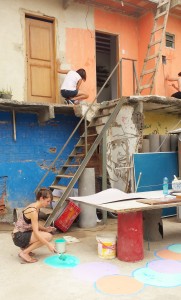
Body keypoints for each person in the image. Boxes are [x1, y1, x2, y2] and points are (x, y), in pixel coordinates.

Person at [12, 188, 57, 263]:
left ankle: (25, 249)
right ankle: (24, 253)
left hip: (19, 234)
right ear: (41, 198)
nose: (49, 203)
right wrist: (49, 245)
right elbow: (36, 232)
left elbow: (35, 223)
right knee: (48, 237)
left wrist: (45, 229)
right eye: (48, 201)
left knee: (46, 233)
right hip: (19, 237)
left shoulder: (35, 207)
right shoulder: (33, 211)